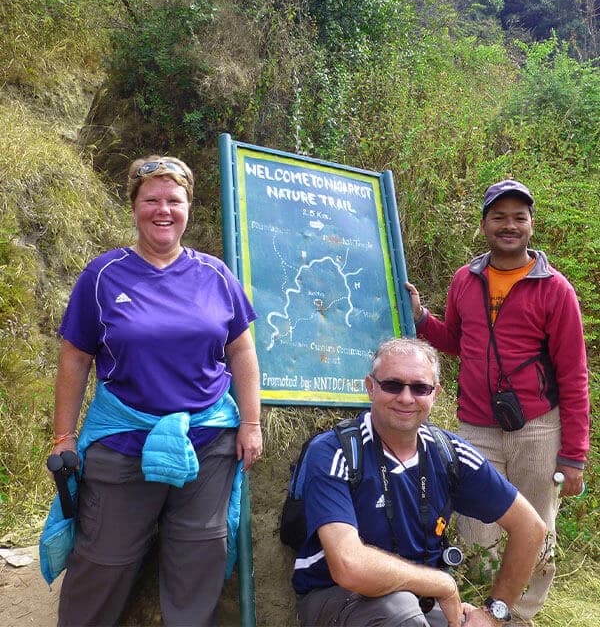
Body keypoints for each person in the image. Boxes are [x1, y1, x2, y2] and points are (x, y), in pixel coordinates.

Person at [50, 155, 262, 627]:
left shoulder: (215, 275)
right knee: (104, 559)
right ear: (134, 207)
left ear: (188, 207)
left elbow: (242, 352)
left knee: (200, 556)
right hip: (123, 440)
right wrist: (63, 439)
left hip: (207, 442)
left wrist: (250, 423)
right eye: (151, 200)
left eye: (174, 200)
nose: (163, 210)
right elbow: (75, 358)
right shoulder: (102, 275)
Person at [405, 179, 590, 626]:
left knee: (538, 528)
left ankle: (517, 615)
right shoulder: (465, 280)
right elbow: (456, 340)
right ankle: (475, 607)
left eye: (519, 217)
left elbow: (574, 374)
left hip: (539, 428)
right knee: (474, 526)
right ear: (484, 224)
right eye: (499, 217)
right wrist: (423, 320)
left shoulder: (555, 289)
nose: (509, 226)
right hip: (475, 427)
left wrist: (575, 456)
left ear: (531, 224)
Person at [293, 337, 546, 627]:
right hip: (337, 596)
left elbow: (530, 527)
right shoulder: (335, 451)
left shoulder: (449, 453)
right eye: (392, 385)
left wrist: (493, 614)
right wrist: (442, 584)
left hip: (421, 600)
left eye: (420, 388)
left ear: (435, 394)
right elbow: (348, 566)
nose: (406, 397)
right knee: (400, 611)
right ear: (370, 387)